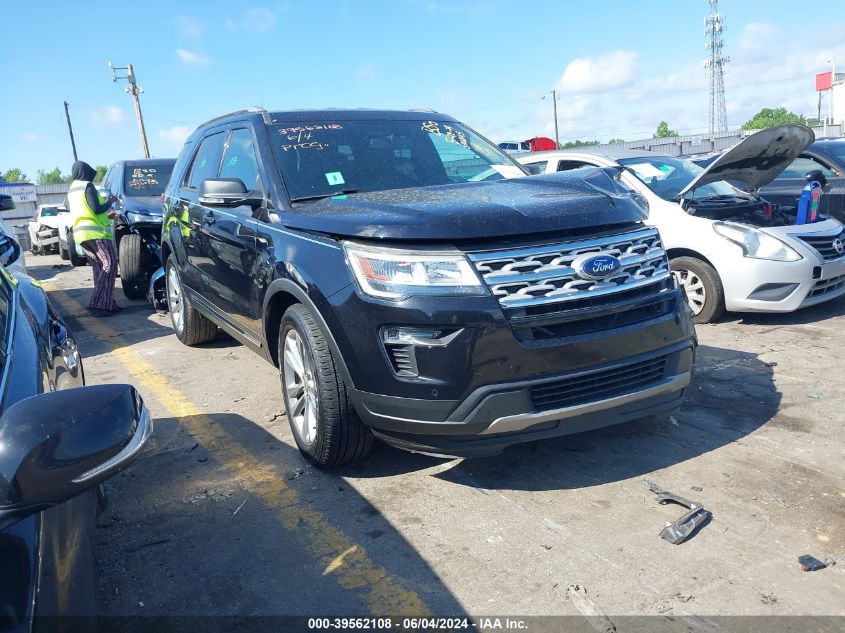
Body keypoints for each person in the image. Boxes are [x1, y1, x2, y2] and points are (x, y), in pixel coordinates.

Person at [67, 161, 119, 315]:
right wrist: (110, 202)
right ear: (85, 173)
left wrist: (106, 215)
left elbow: (85, 211)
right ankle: (98, 304)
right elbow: (96, 209)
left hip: (81, 234)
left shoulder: (72, 189)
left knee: (99, 268)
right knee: (109, 265)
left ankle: (108, 303)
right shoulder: (87, 186)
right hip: (97, 234)